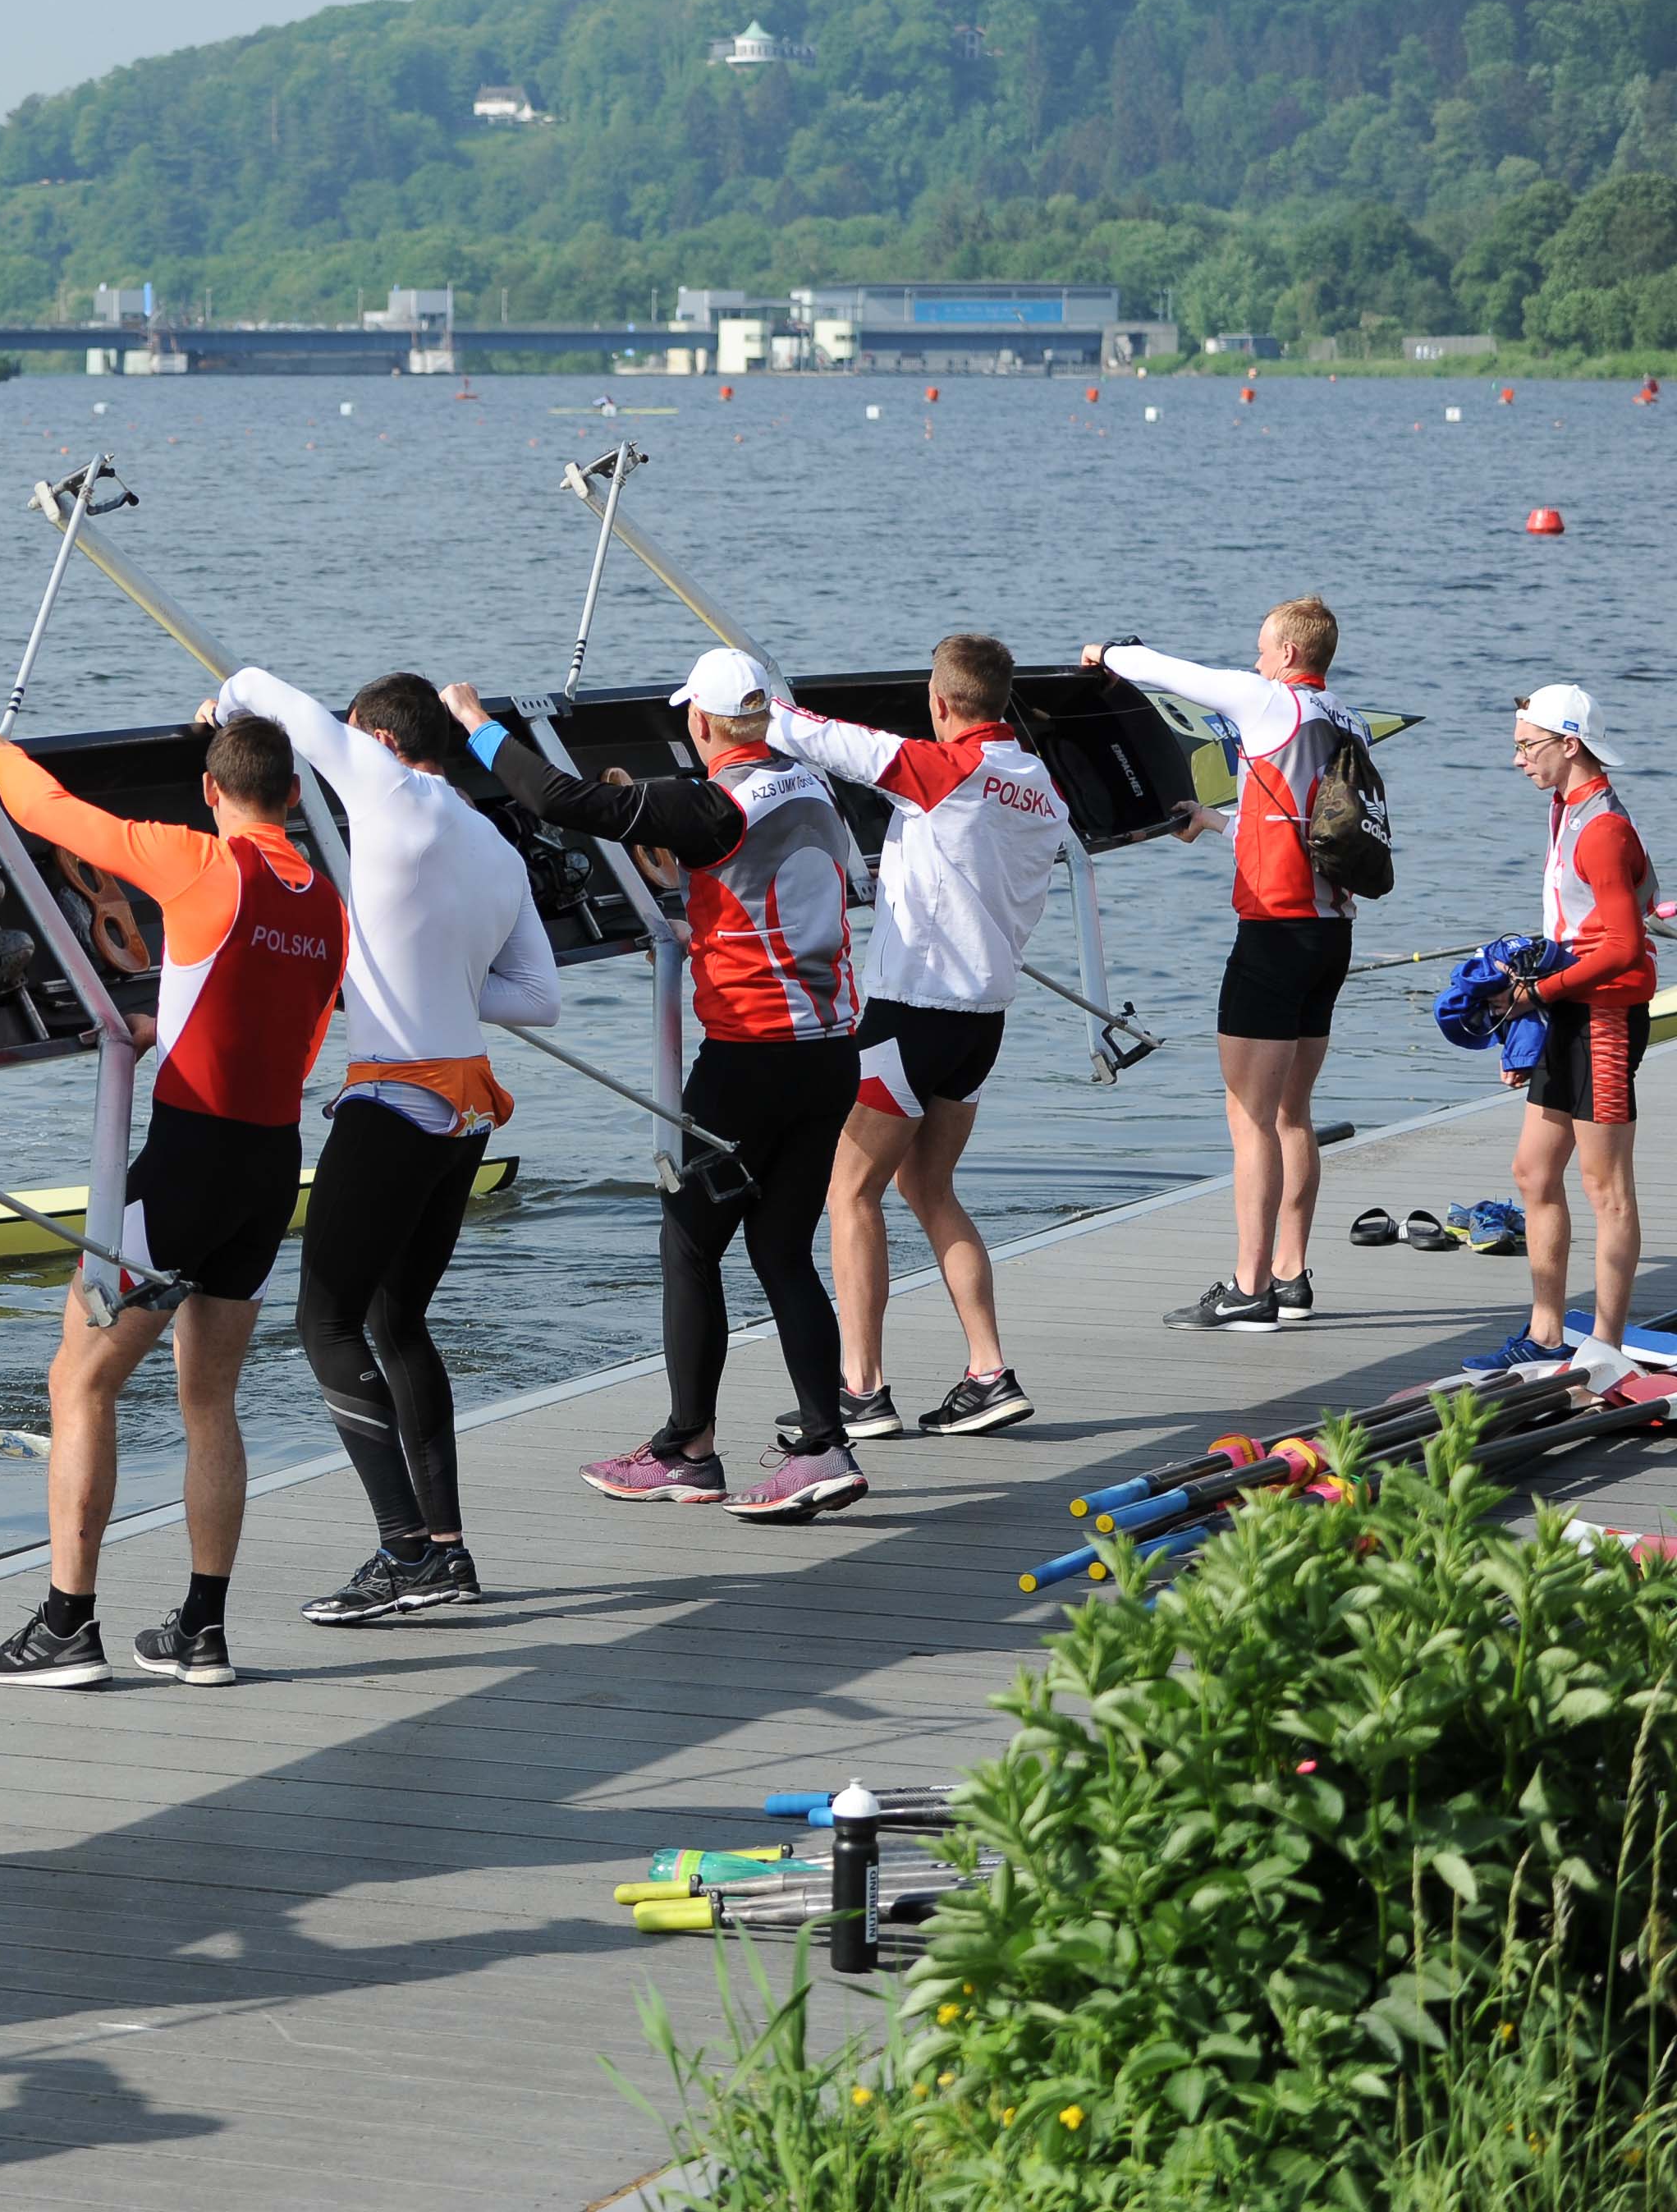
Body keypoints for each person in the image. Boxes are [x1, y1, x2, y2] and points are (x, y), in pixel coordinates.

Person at [0, 716, 347, 1689]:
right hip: (269, 1167)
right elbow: (275, 1024)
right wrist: (165, 1029)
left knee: (79, 1383)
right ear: (293, 797)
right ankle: (200, 1633)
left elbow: (52, 813)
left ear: (211, 793)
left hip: (184, 1165)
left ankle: (66, 1628)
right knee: (208, 1400)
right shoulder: (326, 901)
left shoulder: (200, 861)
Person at [449, 653, 873, 1521]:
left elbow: (562, 802)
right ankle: (823, 1446)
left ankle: (688, 1448)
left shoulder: (710, 804)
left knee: (687, 1244)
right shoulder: (812, 786)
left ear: (702, 724)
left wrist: (475, 724)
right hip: (831, 1054)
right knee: (782, 1252)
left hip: (748, 1064)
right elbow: (761, 884)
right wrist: (690, 907)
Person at [201, 666, 557, 1625]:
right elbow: (539, 998)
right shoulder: (493, 843)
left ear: (382, 743)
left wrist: (224, 706)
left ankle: (403, 1553)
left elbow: (269, 692)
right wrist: (431, 976)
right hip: (464, 1112)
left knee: (323, 1323)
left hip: (395, 1102)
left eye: (355, 741)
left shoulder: (387, 787)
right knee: (398, 1325)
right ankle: (446, 1551)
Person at [763, 638, 1070, 1436]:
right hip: (981, 1024)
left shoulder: (943, 772)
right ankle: (988, 1374)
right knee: (928, 1190)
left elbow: (834, 743)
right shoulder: (1041, 787)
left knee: (849, 1191)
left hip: (911, 1016)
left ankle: (860, 1391)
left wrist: (757, 705)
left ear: (939, 703)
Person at [1085, 600, 1371, 1333]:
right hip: (1330, 935)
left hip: (1273, 936)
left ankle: (1248, 1290)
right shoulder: (1348, 721)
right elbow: (1306, 825)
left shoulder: (1269, 701)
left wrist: (1109, 654)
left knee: (1249, 1119)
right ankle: (1290, 1277)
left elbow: (1171, 674)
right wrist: (1216, 822)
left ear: (1287, 653)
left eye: (1261, 649)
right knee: (1292, 1114)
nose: (1253, 662)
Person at [1465, 686, 1653, 1373]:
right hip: (1568, 1008)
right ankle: (1546, 1334)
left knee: (1607, 1190)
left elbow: (1624, 948)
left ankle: (1606, 1347)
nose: (1518, 759)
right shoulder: (1565, 808)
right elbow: (1594, 919)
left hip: (1604, 1019)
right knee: (1533, 1171)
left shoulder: (1602, 828)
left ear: (1570, 744)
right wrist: (1534, 1006)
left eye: (1527, 746)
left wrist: (1535, 993)